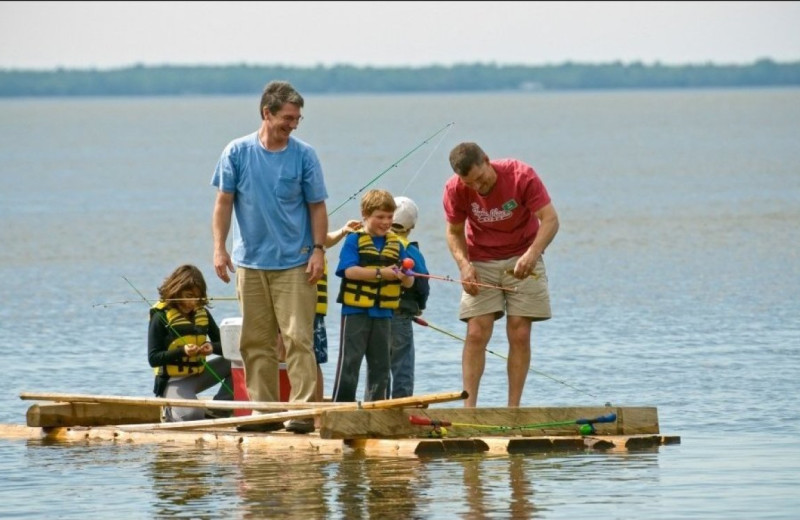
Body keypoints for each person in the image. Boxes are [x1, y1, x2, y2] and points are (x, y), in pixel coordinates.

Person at [211, 80, 328, 434]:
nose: (293, 124)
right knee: (255, 341)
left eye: (297, 119)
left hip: (295, 262)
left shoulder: (304, 155)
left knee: (297, 339)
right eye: (288, 118)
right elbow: (223, 203)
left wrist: (319, 251)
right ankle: (263, 413)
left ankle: (303, 412)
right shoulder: (236, 152)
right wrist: (219, 248)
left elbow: (317, 206)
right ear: (267, 113)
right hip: (249, 262)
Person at [442, 142, 559, 407]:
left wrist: (531, 254)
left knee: (519, 332)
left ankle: (513, 408)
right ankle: (469, 408)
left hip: (523, 254)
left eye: (480, 178)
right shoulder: (455, 189)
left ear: (486, 159)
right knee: (476, 332)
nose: (477, 187)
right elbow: (454, 232)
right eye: (470, 183)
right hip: (480, 259)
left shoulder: (521, 175)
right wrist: (463, 265)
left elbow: (550, 220)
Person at [332, 189, 415, 403]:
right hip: (355, 312)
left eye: (389, 217)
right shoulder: (353, 240)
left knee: (381, 366)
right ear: (365, 215)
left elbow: (410, 280)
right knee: (350, 363)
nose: (386, 222)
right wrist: (381, 273)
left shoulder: (396, 244)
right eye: (380, 217)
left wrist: (404, 275)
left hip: (384, 314)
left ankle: (376, 409)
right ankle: (342, 409)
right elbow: (349, 271)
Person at [147, 264, 233, 422]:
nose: (192, 302)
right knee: (192, 415)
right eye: (188, 295)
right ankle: (169, 411)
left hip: (199, 375)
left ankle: (219, 411)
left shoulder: (202, 314)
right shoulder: (161, 318)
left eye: (197, 297)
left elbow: (226, 347)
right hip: (173, 381)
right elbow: (153, 359)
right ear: (176, 291)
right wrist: (182, 351)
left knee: (239, 362)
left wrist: (212, 348)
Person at [388, 196, 430, 398]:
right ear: (411, 226)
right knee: (402, 363)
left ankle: (376, 405)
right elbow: (422, 285)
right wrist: (420, 306)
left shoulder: (376, 243)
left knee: (378, 364)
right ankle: (401, 405)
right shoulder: (411, 250)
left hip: (374, 312)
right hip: (401, 315)